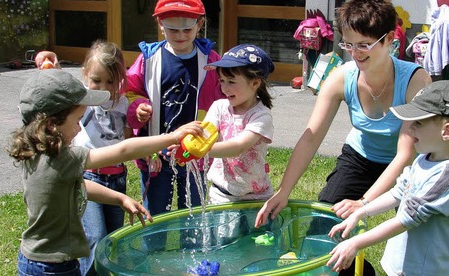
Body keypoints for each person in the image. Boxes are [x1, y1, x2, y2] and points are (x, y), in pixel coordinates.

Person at [254, 0, 431, 273]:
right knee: (324, 232)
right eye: (348, 44)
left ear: (389, 40)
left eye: (364, 44)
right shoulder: (341, 77)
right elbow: (311, 137)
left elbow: (405, 154)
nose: (355, 53)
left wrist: (364, 204)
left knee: (412, 247)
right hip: (359, 157)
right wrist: (284, 191)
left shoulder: (416, 81)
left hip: (406, 166)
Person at [8, 69, 203, 275]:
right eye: (77, 121)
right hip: (52, 267)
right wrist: (172, 137)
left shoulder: (38, 154)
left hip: (41, 261)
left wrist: (119, 198)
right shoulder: (63, 159)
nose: (79, 129)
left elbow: (78, 184)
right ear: (50, 126)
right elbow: (123, 150)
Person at [326, 80, 449, 275]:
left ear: (447, 132)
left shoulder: (445, 178)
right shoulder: (424, 159)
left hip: (425, 270)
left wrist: (356, 243)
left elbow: (405, 220)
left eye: (419, 123)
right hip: (405, 265)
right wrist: (361, 211)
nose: (410, 128)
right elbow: (398, 193)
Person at [35, 41, 137, 275]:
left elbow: (130, 136)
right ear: (85, 76)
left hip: (117, 178)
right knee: (95, 236)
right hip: (89, 177)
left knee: (112, 239)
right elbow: (60, 87)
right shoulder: (82, 96)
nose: (104, 87)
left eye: (111, 81)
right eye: (97, 80)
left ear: (120, 78)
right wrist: (52, 63)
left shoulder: (123, 102)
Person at [125, 0, 224, 216]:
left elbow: (223, 99)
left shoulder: (211, 61)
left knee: (193, 216)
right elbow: (130, 90)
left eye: (187, 29)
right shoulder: (148, 60)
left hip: (194, 154)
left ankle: (191, 248)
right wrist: (137, 107)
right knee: (155, 215)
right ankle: (155, 250)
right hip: (157, 156)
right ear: (161, 24)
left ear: (200, 24)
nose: (180, 35)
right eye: (172, 30)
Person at [202, 44, 275, 204]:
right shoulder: (219, 107)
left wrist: (202, 152)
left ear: (255, 83)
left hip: (256, 198)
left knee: (257, 230)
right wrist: (186, 145)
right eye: (222, 81)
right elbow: (204, 136)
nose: (224, 88)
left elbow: (239, 146)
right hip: (221, 194)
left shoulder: (261, 116)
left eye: (231, 81)